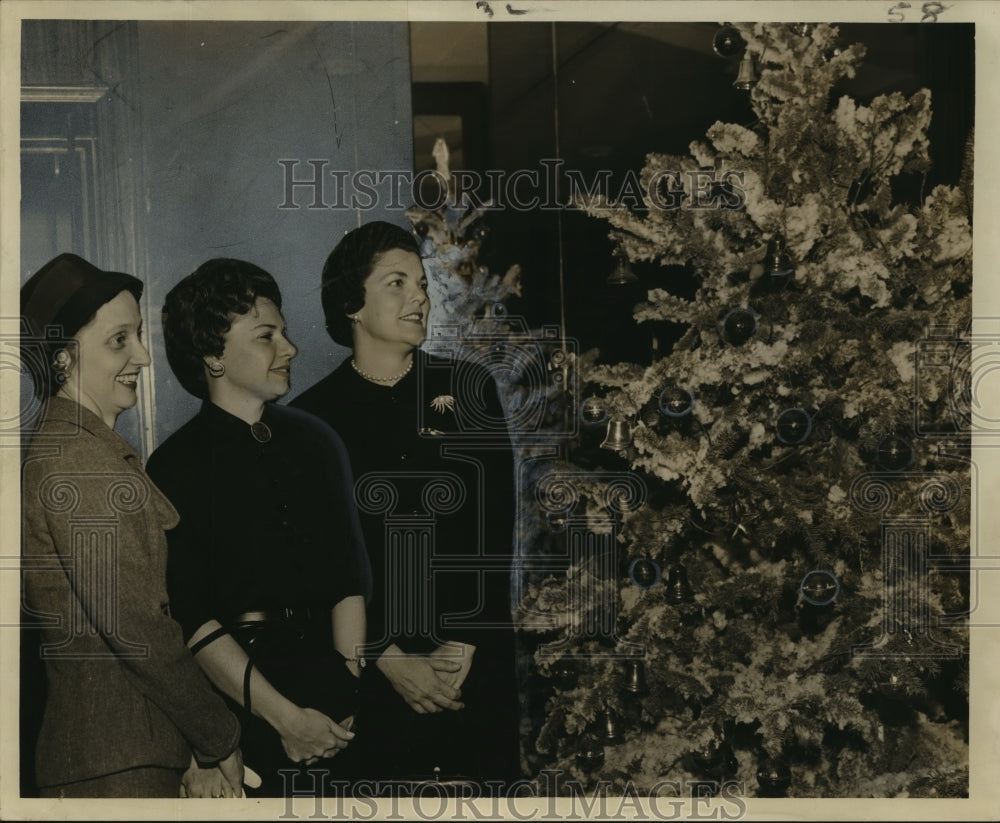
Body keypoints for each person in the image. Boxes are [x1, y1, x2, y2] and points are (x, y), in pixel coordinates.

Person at [291, 221, 521, 787]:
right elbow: (315, 565)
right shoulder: (310, 420)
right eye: (397, 283)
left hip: (471, 665)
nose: (418, 296)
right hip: (369, 678)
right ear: (351, 302)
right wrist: (389, 658)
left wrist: (466, 638)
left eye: (421, 284)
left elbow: (496, 529)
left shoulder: (469, 389)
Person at [20, 252, 244, 798]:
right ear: (63, 361)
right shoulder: (79, 460)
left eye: (139, 335)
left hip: (120, 756)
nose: (144, 356)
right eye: (119, 340)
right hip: (118, 765)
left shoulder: (76, 447)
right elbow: (138, 628)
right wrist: (220, 737)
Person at [145, 258, 371, 798]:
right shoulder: (173, 467)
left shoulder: (317, 443)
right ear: (212, 355)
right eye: (266, 336)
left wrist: (347, 693)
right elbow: (193, 620)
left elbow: (348, 583)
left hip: (336, 711)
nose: (289, 348)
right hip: (244, 719)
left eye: (285, 332)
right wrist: (288, 720)